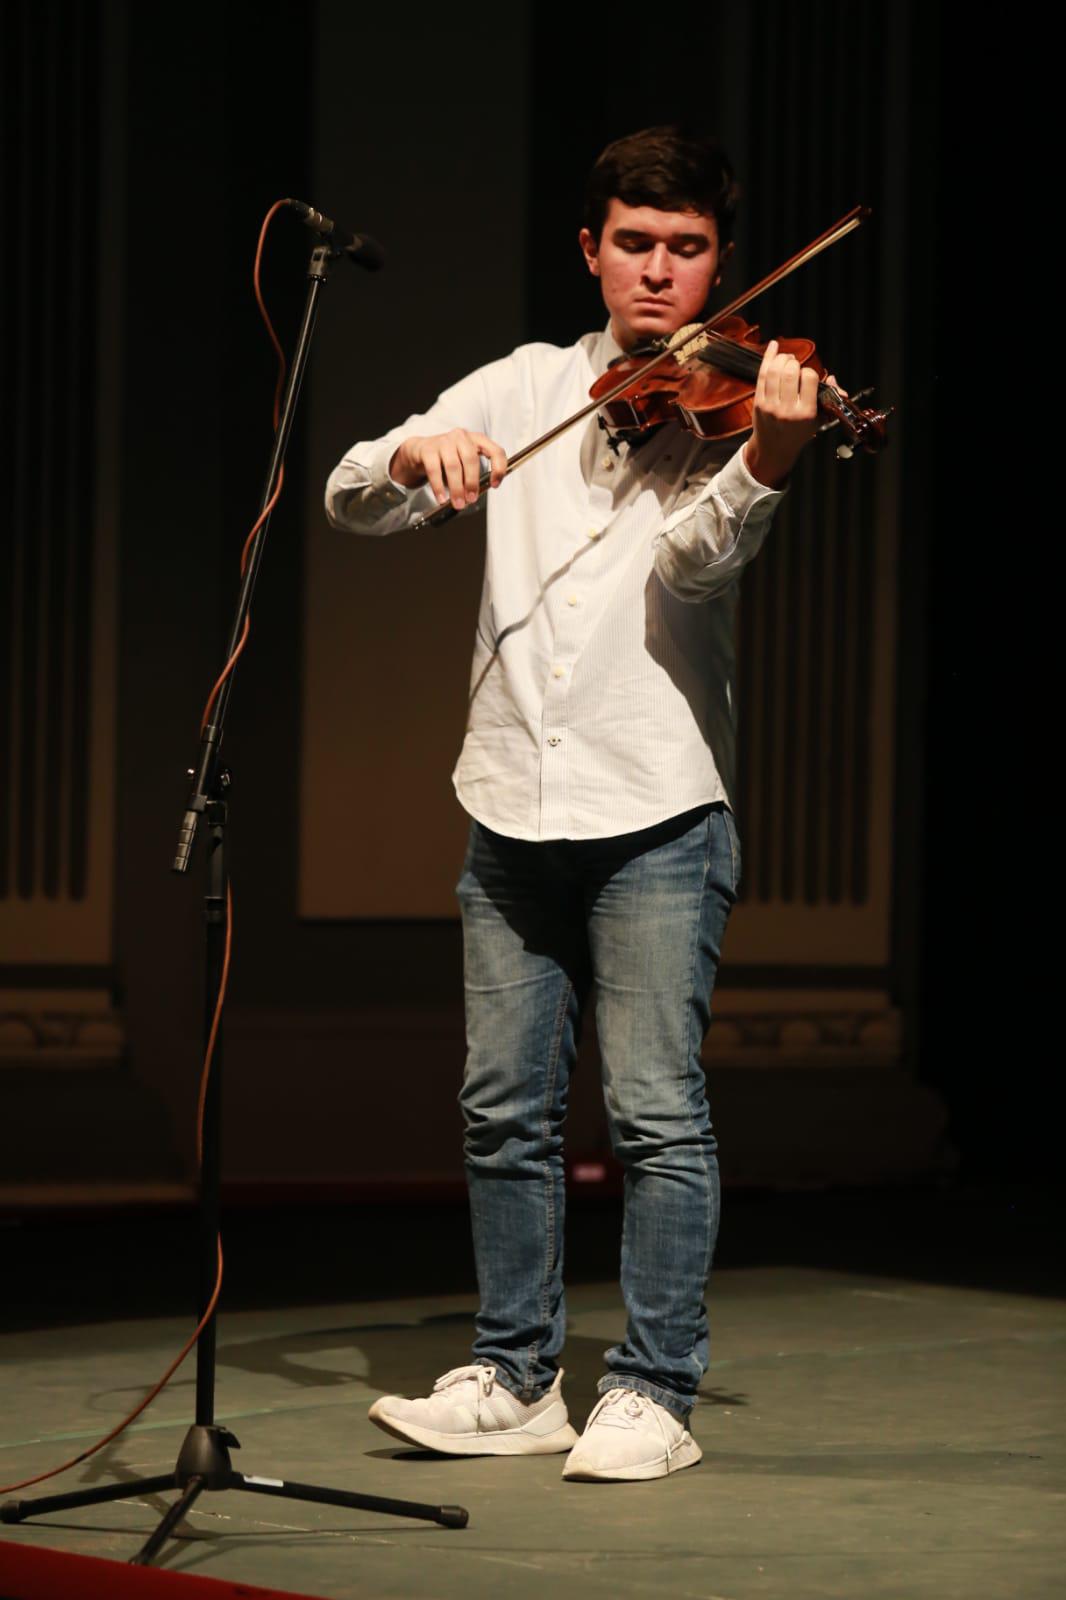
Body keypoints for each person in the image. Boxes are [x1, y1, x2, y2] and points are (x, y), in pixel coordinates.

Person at [325, 126, 829, 1482]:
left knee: (656, 1112)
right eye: (633, 243)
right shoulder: (526, 384)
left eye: (686, 248)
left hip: (655, 806)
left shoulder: (725, 403)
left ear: (717, 256)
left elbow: (698, 569)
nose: (658, 274)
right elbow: (349, 494)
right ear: (591, 251)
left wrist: (768, 461)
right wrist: (418, 455)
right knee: (503, 1108)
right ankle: (514, 1374)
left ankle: (654, 1389)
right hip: (508, 803)